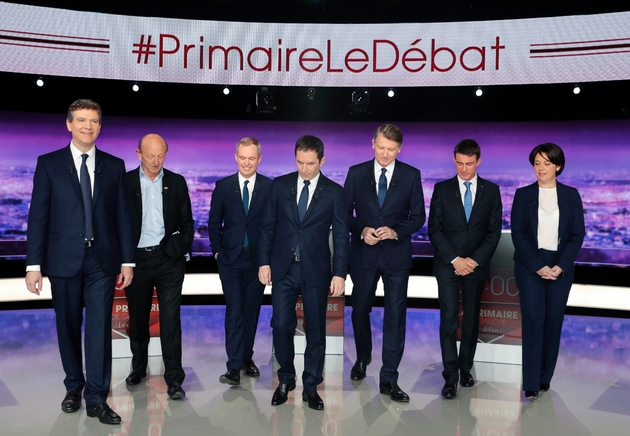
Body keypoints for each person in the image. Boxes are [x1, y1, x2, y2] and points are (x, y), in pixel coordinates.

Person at [25, 99, 135, 425]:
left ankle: (97, 398)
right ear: (69, 124)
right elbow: (37, 217)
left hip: (102, 261)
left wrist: (127, 261)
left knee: (100, 329)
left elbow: (123, 219)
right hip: (62, 260)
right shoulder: (49, 164)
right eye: (82, 120)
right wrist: (34, 265)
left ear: (100, 126)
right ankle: (73, 386)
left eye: (94, 121)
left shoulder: (115, 166)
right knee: (68, 326)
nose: (88, 126)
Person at [258, 135, 348, 410]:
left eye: (310, 163)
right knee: (282, 326)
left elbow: (342, 236)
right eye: (300, 162)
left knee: (316, 331)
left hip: (317, 270)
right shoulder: (280, 185)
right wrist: (264, 262)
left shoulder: (334, 192)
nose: (304, 168)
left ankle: (311, 386)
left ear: (322, 161)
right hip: (284, 269)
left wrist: (340, 273)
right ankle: (286, 379)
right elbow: (267, 226)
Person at [344, 124, 425, 403]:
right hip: (364, 255)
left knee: (395, 317)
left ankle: (389, 378)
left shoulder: (411, 175)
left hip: (396, 256)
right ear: (372, 144)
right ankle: (363, 357)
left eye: (391, 149)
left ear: (399, 149)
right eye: (381, 147)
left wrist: (395, 231)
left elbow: (418, 217)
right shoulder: (356, 173)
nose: (385, 154)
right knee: (359, 311)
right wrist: (362, 229)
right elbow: (344, 214)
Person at [428, 139, 502, 399]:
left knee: (470, 321)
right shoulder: (442, 189)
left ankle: (465, 368)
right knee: (448, 321)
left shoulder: (492, 191)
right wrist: (455, 260)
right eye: (459, 163)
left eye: (469, 164)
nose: (464, 169)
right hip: (448, 266)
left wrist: (473, 261)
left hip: (475, 266)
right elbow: (434, 230)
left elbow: (493, 233)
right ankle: (450, 377)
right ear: (454, 160)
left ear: (478, 161)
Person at [511, 143, 585, 400]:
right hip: (530, 264)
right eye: (537, 163)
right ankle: (530, 382)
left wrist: (560, 266)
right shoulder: (523, 194)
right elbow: (518, 235)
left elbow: (577, 235)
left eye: (546, 163)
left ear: (558, 166)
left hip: (561, 266)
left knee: (553, 323)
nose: (540, 168)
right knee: (533, 321)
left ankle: (544, 378)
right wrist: (538, 266)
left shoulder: (571, 195)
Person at [124, 134, 194, 400]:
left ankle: (174, 378)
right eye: (150, 155)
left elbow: (188, 223)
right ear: (138, 153)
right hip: (136, 262)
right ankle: (138, 368)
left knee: (170, 320)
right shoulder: (126, 182)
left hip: (168, 261)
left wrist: (177, 250)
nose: (155, 161)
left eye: (161, 155)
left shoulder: (177, 182)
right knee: (139, 319)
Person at [208, 137, 272, 386]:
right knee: (235, 312)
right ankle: (233, 366)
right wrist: (216, 253)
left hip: (258, 262)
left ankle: (247, 358)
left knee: (251, 312)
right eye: (242, 158)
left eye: (252, 158)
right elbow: (214, 223)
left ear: (259, 159)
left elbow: (272, 225)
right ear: (236, 157)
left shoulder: (269, 187)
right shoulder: (223, 187)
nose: (247, 163)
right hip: (231, 261)